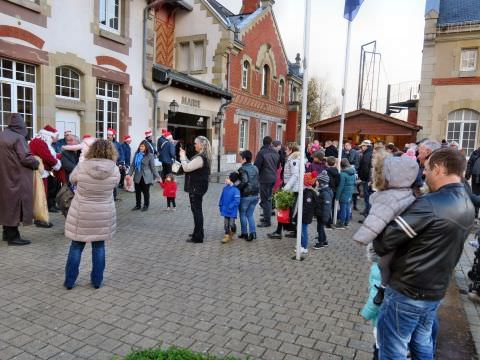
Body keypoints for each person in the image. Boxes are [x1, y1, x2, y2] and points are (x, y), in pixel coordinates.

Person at [373, 148, 474, 359]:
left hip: (408, 291)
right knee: (422, 345)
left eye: (427, 168)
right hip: (434, 291)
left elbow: (383, 243)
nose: (424, 173)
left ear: (438, 168)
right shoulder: (466, 201)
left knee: (393, 350)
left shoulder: (429, 204)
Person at [353, 153, 419, 305]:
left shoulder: (387, 197)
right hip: (401, 237)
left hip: (388, 239)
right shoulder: (408, 191)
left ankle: (382, 289)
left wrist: (362, 237)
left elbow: (376, 220)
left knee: (383, 265)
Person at [64, 140, 120, 290]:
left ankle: (69, 282)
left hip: (81, 213)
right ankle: (97, 281)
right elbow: (116, 183)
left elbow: (71, 179)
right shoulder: (114, 169)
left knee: (76, 246)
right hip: (103, 214)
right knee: (99, 247)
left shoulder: (82, 166)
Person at [0, 113, 39, 246]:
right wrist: (36, 163)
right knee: (14, 205)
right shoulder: (18, 138)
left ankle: (6, 233)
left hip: (4, 175)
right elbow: (25, 157)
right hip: (16, 176)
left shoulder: (2, 134)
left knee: (6, 204)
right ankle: (13, 237)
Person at [180, 136, 211, 244]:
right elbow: (190, 165)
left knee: (197, 211)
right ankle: (197, 232)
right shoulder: (201, 157)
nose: (194, 145)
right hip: (198, 187)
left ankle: (198, 237)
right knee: (196, 211)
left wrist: (182, 157)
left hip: (196, 188)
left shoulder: (200, 158)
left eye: (195, 143)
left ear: (201, 145)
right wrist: (184, 158)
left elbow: (186, 168)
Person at [268, 142, 301, 239]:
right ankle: (291, 231)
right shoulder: (292, 159)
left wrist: (286, 187)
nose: (285, 151)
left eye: (287, 149)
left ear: (291, 150)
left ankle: (281, 232)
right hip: (290, 187)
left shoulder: (294, 160)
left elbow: (295, 175)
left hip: (291, 189)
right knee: (285, 210)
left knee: (284, 210)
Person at [29, 125, 63, 213]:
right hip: (39, 172)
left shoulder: (43, 142)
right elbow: (47, 157)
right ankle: (40, 217)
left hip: (42, 171)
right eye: (55, 137)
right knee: (41, 194)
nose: (56, 139)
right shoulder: (39, 142)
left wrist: (61, 156)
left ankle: (40, 214)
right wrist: (56, 163)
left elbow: (51, 155)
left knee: (42, 194)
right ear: (49, 136)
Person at [127, 140, 160, 211]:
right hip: (137, 175)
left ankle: (146, 205)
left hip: (146, 177)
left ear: (146, 147)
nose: (141, 147)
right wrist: (129, 174)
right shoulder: (137, 154)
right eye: (140, 146)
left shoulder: (150, 155)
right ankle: (138, 205)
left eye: (142, 146)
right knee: (137, 191)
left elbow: (153, 167)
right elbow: (133, 165)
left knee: (146, 192)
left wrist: (158, 176)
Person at [254, 136, 280, 228]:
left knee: (265, 199)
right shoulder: (275, 152)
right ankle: (266, 216)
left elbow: (256, 166)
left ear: (263, 142)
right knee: (268, 198)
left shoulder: (261, 153)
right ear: (271, 143)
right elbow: (277, 166)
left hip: (264, 179)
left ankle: (267, 220)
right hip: (273, 178)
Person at [237, 150, 260, 242]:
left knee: (242, 214)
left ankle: (244, 233)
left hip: (246, 195)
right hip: (255, 195)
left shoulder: (242, 169)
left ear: (244, 159)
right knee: (250, 214)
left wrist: (237, 187)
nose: (240, 159)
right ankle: (253, 233)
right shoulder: (255, 168)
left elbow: (244, 181)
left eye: (241, 158)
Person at [313, 171, 333, 249]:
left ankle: (320, 242)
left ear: (322, 183)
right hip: (320, 213)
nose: (316, 182)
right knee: (320, 227)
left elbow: (326, 207)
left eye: (317, 181)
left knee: (320, 228)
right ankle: (324, 241)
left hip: (322, 215)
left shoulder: (325, 193)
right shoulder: (322, 191)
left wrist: (325, 217)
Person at [219, 172, 241, 244]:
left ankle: (233, 229)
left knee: (231, 223)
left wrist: (230, 206)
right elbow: (221, 198)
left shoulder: (236, 190)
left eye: (228, 178)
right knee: (226, 223)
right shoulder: (225, 188)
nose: (226, 179)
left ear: (232, 180)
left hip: (232, 210)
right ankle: (226, 235)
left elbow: (237, 201)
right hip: (225, 210)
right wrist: (220, 205)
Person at [299, 171, 318, 254]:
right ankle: (301, 244)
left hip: (305, 215)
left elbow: (307, 206)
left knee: (303, 230)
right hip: (306, 215)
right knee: (302, 230)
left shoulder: (308, 193)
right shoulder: (308, 191)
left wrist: (302, 214)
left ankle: (304, 246)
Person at [335, 159, 356, 229]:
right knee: (347, 207)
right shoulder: (353, 173)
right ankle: (346, 222)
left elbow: (340, 186)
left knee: (343, 208)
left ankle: (341, 222)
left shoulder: (342, 174)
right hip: (350, 192)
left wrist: (337, 197)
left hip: (344, 193)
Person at [107, 128, 124, 201]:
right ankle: (108, 196)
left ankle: (113, 197)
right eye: (107, 135)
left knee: (113, 181)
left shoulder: (118, 144)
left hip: (115, 165)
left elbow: (121, 154)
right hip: (106, 164)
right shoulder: (105, 143)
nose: (108, 136)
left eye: (109, 135)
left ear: (113, 136)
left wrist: (120, 163)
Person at [358, 140, 374, 215]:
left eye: (363, 146)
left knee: (367, 197)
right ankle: (367, 211)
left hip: (367, 179)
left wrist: (363, 178)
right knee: (368, 197)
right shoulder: (369, 153)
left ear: (367, 146)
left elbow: (365, 168)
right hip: (369, 179)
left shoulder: (367, 155)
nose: (361, 147)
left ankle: (367, 213)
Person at [466, 145, 480, 215]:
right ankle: (475, 214)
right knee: (475, 194)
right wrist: (467, 175)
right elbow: (469, 164)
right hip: (475, 177)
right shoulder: (475, 153)